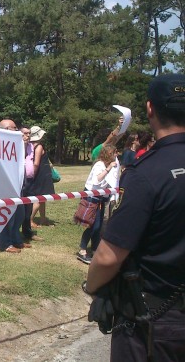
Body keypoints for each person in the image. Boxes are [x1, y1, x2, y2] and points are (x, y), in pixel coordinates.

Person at [85, 74, 185, 360]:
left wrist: (92, 287)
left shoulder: (146, 174)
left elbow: (107, 257)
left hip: (155, 321)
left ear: (150, 109)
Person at [76, 144, 118, 264]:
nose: (117, 155)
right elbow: (97, 180)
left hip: (101, 198)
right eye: (115, 153)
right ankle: (82, 250)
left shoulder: (109, 165)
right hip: (92, 198)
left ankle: (95, 250)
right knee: (92, 225)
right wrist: (109, 168)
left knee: (98, 226)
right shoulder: (100, 165)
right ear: (109, 154)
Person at [0, 119, 28, 254]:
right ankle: (5, 243)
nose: (17, 130)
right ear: (5, 130)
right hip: (5, 184)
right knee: (8, 215)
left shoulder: (16, 144)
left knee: (19, 214)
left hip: (17, 183)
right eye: (14, 128)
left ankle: (16, 239)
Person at [20, 126, 43, 243]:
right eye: (24, 133)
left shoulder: (31, 147)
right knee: (18, 209)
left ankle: (27, 232)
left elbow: (34, 163)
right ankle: (14, 235)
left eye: (29, 133)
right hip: (18, 181)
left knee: (28, 207)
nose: (27, 136)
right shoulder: (15, 147)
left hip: (29, 180)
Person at [28, 126, 55, 227]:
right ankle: (30, 220)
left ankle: (43, 219)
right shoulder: (38, 147)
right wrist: (33, 175)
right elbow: (36, 163)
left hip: (39, 174)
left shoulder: (30, 146)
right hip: (41, 174)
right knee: (39, 199)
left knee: (43, 198)